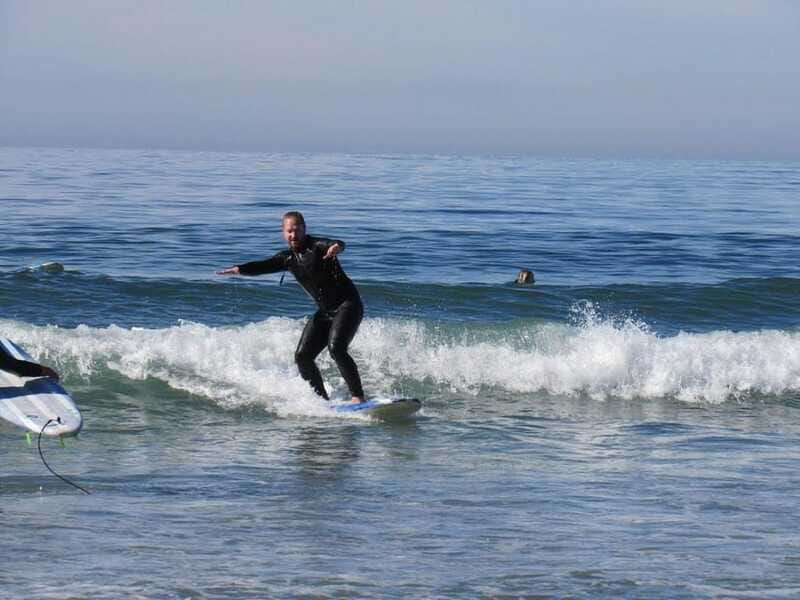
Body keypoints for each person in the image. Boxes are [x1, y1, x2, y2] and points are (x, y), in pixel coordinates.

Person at [217, 211, 366, 403]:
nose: (293, 235)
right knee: (303, 356)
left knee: (336, 348)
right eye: (289, 231)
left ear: (304, 229)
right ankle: (322, 401)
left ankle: (358, 397)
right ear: (283, 232)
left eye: (296, 230)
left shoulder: (317, 247)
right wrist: (240, 269)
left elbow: (335, 243)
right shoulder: (287, 259)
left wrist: (337, 246)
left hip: (348, 305)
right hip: (325, 312)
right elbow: (264, 266)